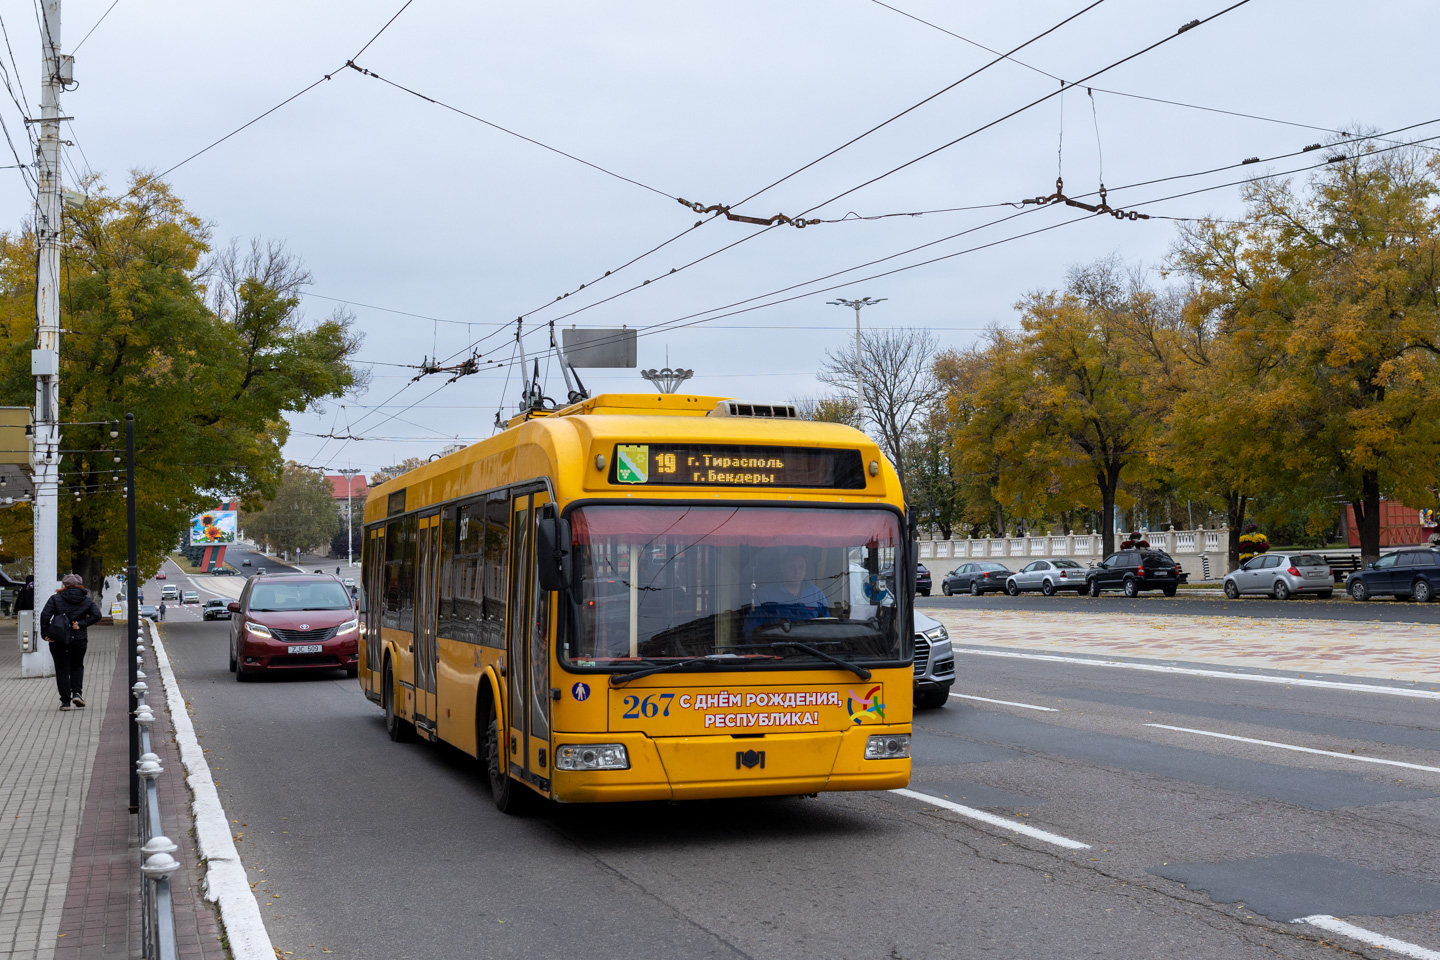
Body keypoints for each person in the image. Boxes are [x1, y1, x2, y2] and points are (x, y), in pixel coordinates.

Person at [40, 574, 102, 711]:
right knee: (77, 666)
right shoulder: (86, 600)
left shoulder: (55, 598)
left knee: (61, 669)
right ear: (80, 584)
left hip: (58, 639)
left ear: (64, 585)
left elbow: (45, 615)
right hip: (78, 638)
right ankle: (77, 693)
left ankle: (65, 702)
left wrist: (45, 634)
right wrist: (81, 624)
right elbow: (97, 615)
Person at [746, 549, 829, 636]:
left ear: (806, 570)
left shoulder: (817, 594)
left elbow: (827, 628)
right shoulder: (764, 596)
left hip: (812, 648)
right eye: (792, 567)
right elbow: (752, 631)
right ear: (782, 568)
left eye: (801, 567)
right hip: (777, 647)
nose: (797, 571)